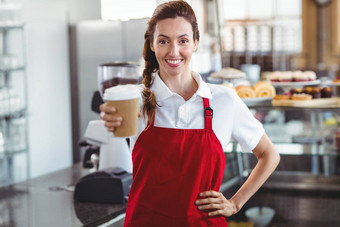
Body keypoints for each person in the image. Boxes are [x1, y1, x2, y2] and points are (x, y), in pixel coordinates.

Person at [99, 1, 280, 226]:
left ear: (195, 42)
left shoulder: (224, 100)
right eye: (164, 40)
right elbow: (111, 117)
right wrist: (109, 117)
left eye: (183, 40)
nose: (174, 51)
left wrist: (235, 203)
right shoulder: (136, 100)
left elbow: (269, 154)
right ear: (153, 44)